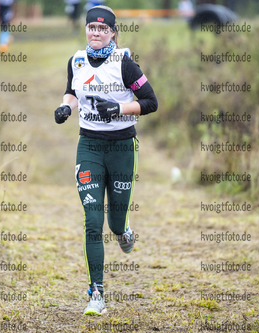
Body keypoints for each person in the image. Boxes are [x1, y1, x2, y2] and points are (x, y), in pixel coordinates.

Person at [54, 5, 158, 315]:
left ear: (112, 32)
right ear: (85, 29)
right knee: (92, 222)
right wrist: (65, 107)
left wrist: (119, 109)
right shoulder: (76, 60)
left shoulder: (124, 64)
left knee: (113, 224)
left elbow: (151, 102)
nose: (96, 33)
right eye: (91, 28)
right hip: (89, 146)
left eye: (103, 29)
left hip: (122, 147)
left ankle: (124, 230)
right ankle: (96, 293)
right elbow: (71, 92)